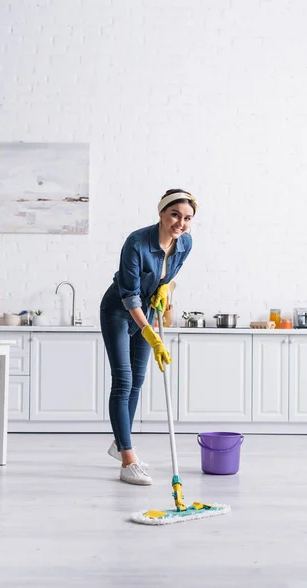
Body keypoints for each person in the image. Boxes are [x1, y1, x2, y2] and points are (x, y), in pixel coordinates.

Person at [100, 189, 197, 486]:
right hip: (118, 311)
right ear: (161, 213)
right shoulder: (137, 242)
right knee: (124, 380)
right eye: (175, 215)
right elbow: (129, 296)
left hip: (148, 313)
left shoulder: (185, 243)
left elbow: (166, 278)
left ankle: (120, 442)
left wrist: (166, 289)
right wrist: (151, 335)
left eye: (187, 218)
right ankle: (127, 461)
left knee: (138, 381)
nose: (180, 223)